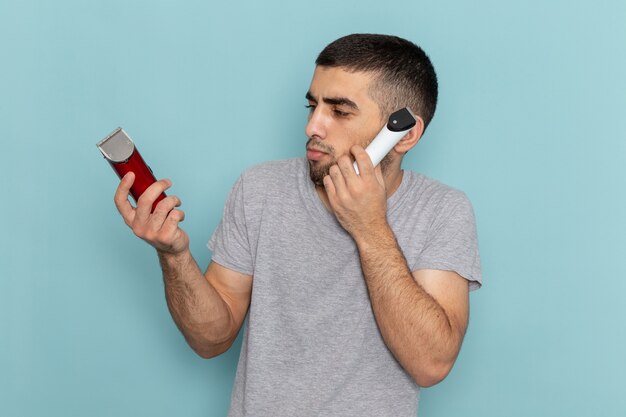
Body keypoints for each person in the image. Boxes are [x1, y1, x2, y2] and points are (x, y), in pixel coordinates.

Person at [114, 33, 481, 417]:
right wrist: (174, 256)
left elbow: (431, 364)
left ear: (404, 134)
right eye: (313, 106)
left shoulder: (442, 211)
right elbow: (211, 340)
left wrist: (369, 227)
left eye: (339, 111)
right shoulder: (259, 189)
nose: (313, 127)